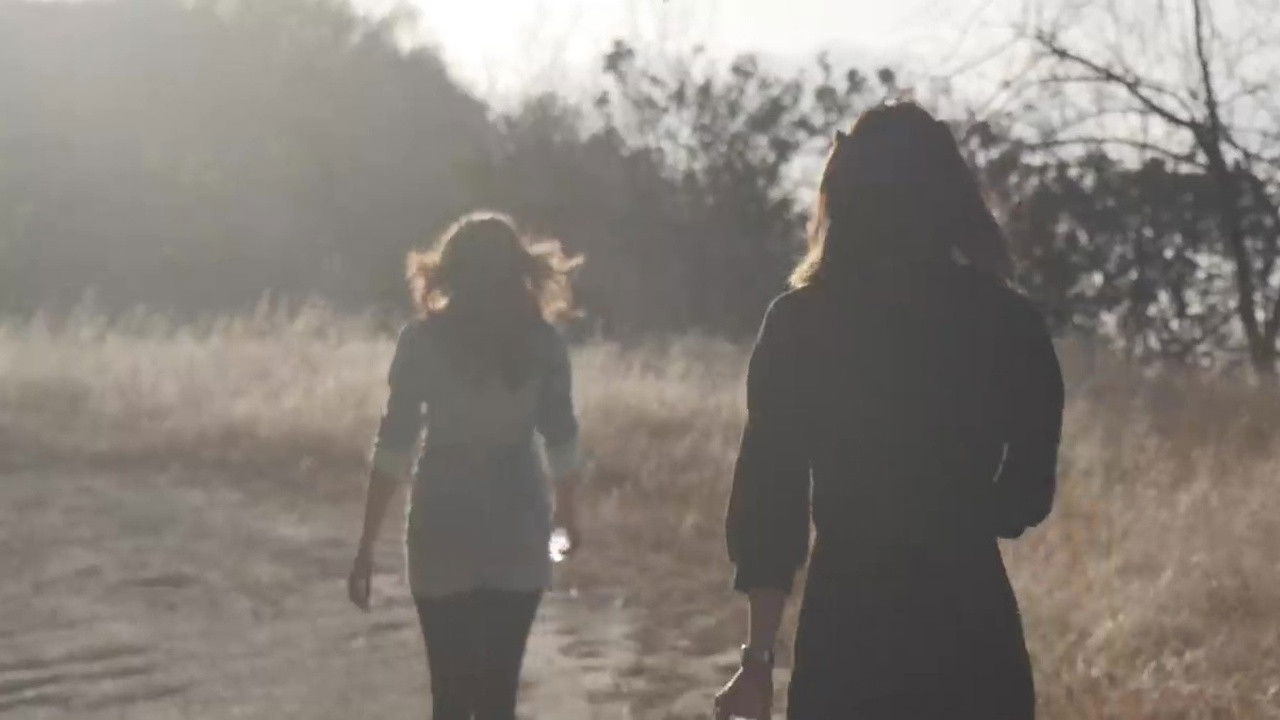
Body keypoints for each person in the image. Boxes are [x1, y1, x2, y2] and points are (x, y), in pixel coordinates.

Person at [713, 102, 1065, 720]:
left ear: (843, 196)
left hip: (848, 632)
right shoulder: (1008, 321)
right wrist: (960, 518)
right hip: (971, 628)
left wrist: (758, 660)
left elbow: (771, 500)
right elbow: (1028, 491)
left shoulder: (800, 323)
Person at [347, 211, 583, 720]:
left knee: (449, 696)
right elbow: (561, 437)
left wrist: (366, 543)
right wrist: (567, 514)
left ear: (449, 271)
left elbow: (394, 444)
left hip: (441, 526)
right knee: (499, 696)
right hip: (517, 527)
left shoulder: (421, 342)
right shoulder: (542, 345)